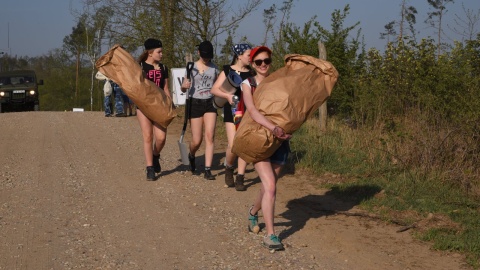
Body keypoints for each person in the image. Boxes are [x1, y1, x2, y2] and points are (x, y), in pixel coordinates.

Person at [241, 46, 291, 251]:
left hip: (280, 140)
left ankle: (253, 213)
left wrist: (288, 127)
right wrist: (273, 127)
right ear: (252, 64)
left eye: (266, 61)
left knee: (267, 185)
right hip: (258, 139)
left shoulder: (278, 82)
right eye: (258, 62)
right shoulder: (248, 83)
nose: (263, 65)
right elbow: (251, 110)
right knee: (270, 185)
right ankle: (270, 235)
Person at [211, 43, 252, 191]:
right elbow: (214, 89)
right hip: (232, 110)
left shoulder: (251, 73)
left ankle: (240, 177)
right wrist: (227, 95)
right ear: (239, 56)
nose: (251, 57)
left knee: (244, 144)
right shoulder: (227, 70)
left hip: (247, 112)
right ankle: (229, 167)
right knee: (234, 144)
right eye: (249, 55)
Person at [181, 41, 220, 180]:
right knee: (197, 140)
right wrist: (184, 86)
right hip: (195, 103)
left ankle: (207, 169)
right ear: (199, 53)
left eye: (209, 56)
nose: (206, 59)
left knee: (210, 135)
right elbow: (183, 87)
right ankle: (191, 155)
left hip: (210, 103)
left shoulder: (215, 68)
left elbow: (218, 86)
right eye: (204, 56)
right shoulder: (191, 67)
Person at [136, 38, 172, 180]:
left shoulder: (163, 68)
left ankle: (155, 155)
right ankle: (149, 167)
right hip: (144, 106)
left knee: (161, 138)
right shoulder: (140, 67)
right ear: (150, 53)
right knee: (148, 136)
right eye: (159, 51)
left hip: (160, 106)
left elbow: (165, 88)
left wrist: (170, 103)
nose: (161, 54)